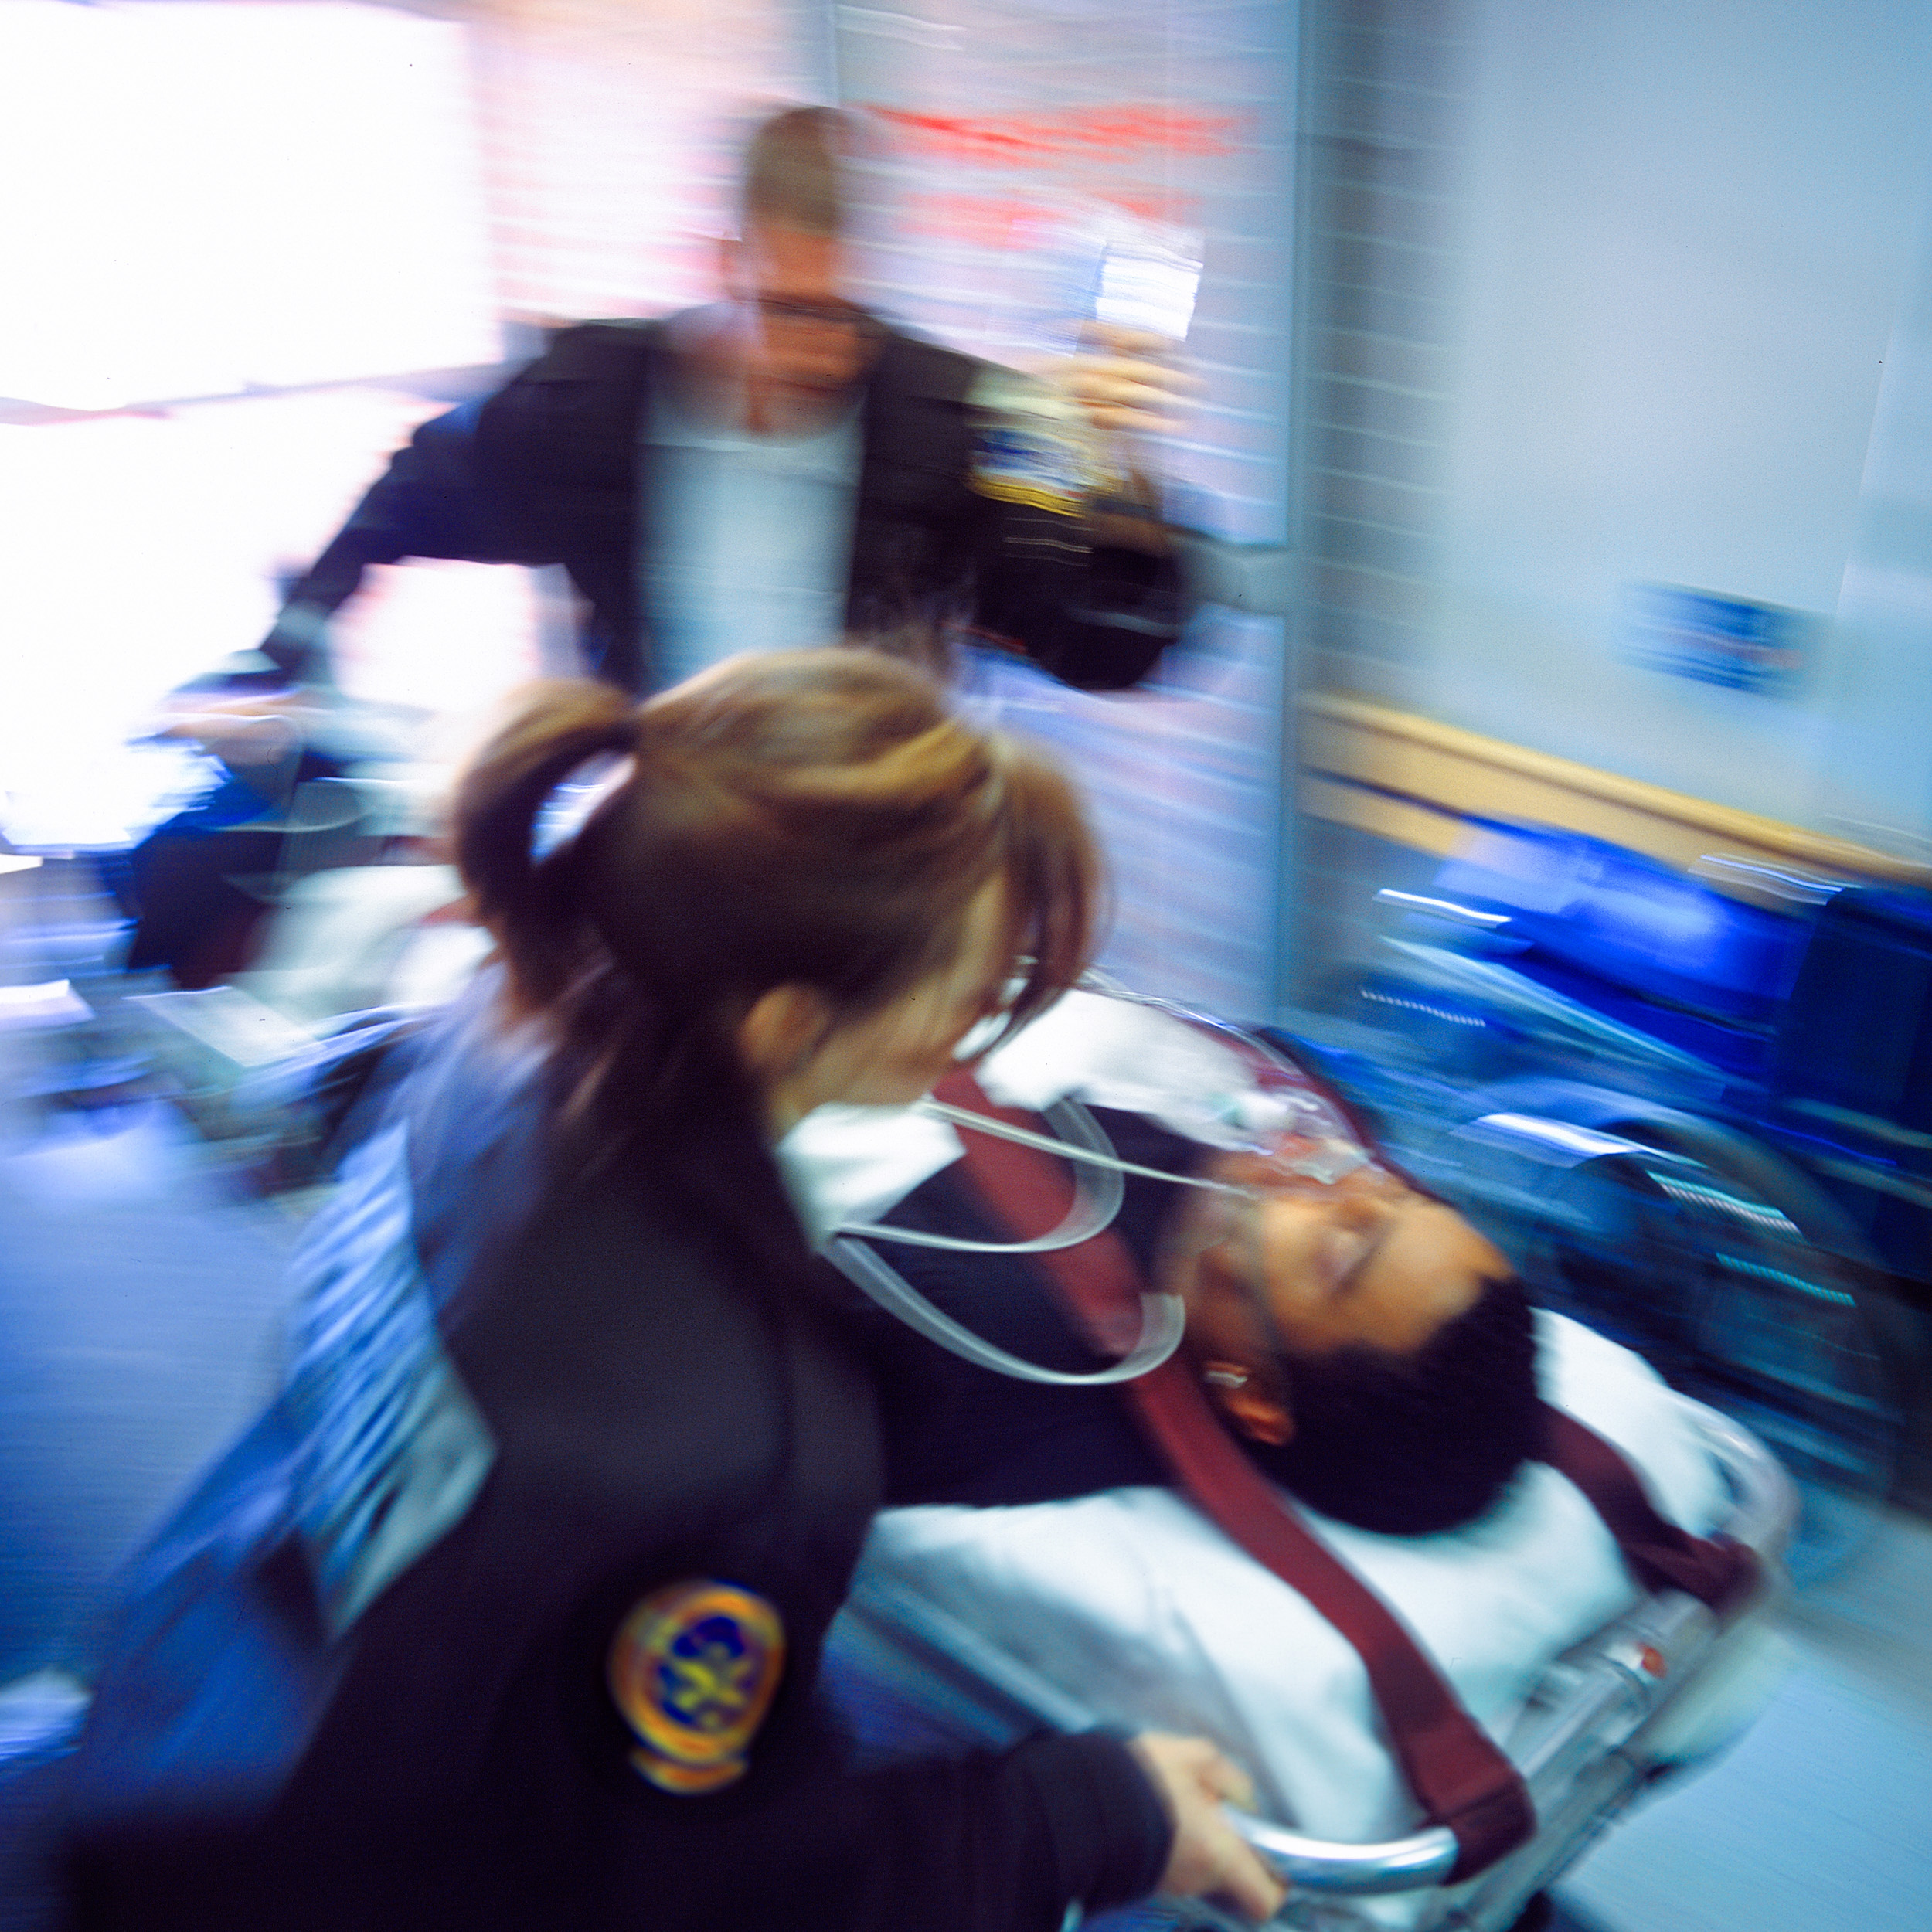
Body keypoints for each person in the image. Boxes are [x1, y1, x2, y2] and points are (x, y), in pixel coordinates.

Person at [56, 652, 1284, 1931]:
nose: (988, 1015)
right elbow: (720, 1884)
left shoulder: (500, 1031)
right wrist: (1099, 1813)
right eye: (970, 986)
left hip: (193, 1707)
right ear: (780, 1024)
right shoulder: (739, 1441)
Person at [241, 107, 1193, 699]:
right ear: (723, 263)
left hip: (860, 831)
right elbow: (412, 491)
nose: (821, 351)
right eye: (784, 311)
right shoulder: (592, 401)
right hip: (664, 814)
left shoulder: (947, 416)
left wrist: (1113, 485)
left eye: (842, 314)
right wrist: (286, 652)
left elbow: (1083, 651)